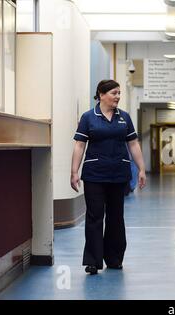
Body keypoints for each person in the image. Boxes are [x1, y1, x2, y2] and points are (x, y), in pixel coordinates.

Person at [70, 79, 146, 275]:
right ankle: (93, 261)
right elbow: (79, 145)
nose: (118, 97)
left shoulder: (125, 118)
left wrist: (142, 169)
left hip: (118, 174)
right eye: (114, 93)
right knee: (95, 216)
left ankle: (114, 258)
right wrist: (74, 171)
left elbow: (133, 144)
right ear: (101, 95)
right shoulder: (88, 117)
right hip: (94, 174)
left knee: (116, 217)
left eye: (119, 93)